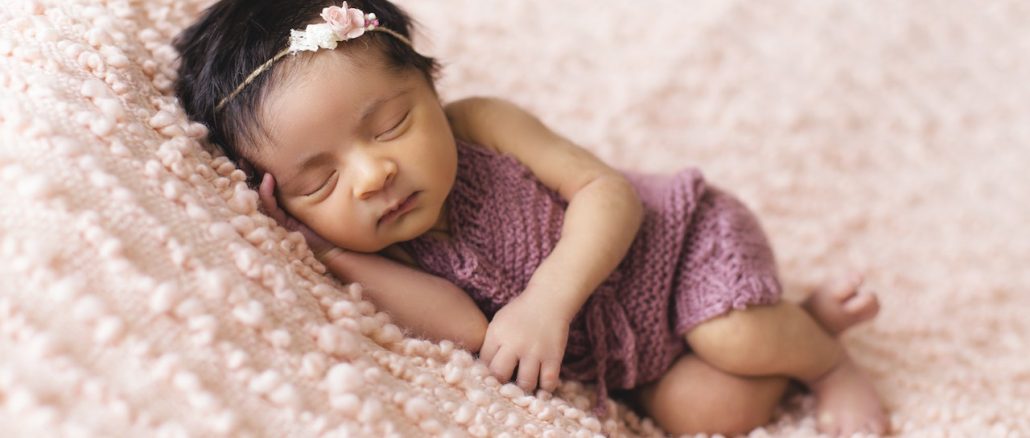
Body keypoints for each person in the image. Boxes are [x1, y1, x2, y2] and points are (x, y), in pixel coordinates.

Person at [173, 1, 888, 435]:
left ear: (431, 85)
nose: (372, 176)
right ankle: (804, 321)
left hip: (683, 246)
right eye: (319, 180)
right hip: (641, 355)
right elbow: (468, 328)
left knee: (729, 331)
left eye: (390, 126)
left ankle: (828, 362)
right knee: (706, 414)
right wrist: (326, 251)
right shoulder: (371, 244)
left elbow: (608, 193)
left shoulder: (482, 125)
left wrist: (549, 298)